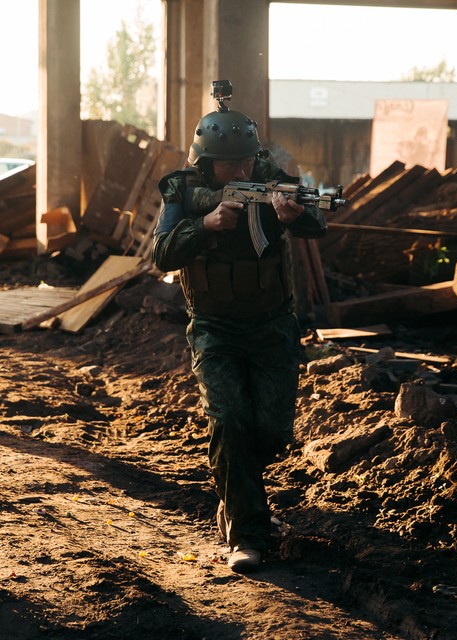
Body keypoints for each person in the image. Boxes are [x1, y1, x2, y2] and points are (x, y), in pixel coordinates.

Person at [152, 84, 327, 573]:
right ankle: (248, 533)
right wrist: (204, 224)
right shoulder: (182, 189)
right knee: (229, 422)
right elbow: (161, 253)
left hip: (272, 325)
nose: (243, 172)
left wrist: (296, 213)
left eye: (248, 162)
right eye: (231, 166)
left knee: (270, 430)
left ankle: (234, 495)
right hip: (215, 329)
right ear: (206, 163)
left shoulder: (272, 178)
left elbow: (316, 222)